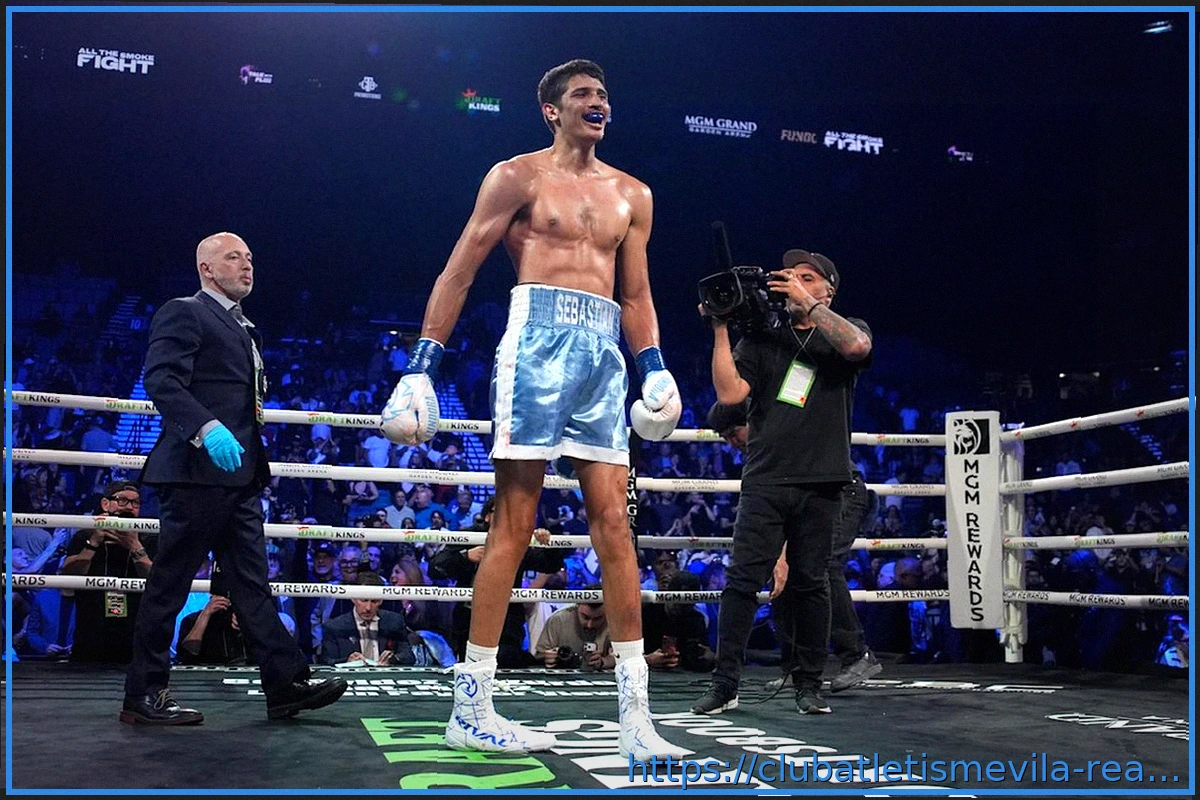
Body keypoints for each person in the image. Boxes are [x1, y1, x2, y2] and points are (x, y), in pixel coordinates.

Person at [379, 59, 685, 758]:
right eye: (583, 94)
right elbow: (460, 267)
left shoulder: (633, 193)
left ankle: (636, 718)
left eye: (603, 93)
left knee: (615, 525)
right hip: (535, 348)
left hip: (603, 353)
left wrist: (653, 366)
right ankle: (471, 706)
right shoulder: (516, 176)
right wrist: (422, 365)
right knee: (514, 525)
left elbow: (636, 295)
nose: (598, 102)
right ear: (552, 110)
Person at [122, 232, 346, 725]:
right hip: (196, 473)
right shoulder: (186, 312)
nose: (247, 265)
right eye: (233, 258)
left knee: (252, 585)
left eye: (249, 258)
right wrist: (205, 428)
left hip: (240, 476)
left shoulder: (245, 327)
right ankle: (144, 693)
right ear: (206, 268)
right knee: (171, 583)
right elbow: (161, 379)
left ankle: (284, 685)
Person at [692, 248, 872, 717]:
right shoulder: (764, 337)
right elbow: (730, 394)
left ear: (827, 291)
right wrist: (720, 329)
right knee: (740, 582)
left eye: (807, 277)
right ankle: (725, 684)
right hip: (767, 478)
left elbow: (858, 348)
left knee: (811, 584)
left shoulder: (845, 331)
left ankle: (809, 685)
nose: (792, 281)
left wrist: (808, 305)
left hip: (823, 479)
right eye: (789, 275)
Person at [59, 481, 156, 664]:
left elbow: (156, 582)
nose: (129, 507)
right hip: (91, 632)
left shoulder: (148, 538)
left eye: (135, 503)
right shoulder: (85, 536)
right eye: (122, 500)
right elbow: (68, 579)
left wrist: (135, 547)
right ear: (105, 504)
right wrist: (94, 542)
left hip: (134, 634)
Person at [319, 573, 428, 666]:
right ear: (353, 598)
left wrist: (393, 659)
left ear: (381, 600)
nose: (368, 608)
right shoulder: (334, 627)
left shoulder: (394, 621)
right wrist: (347, 661)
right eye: (364, 600)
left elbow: (409, 657)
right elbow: (326, 661)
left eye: (374, 601)